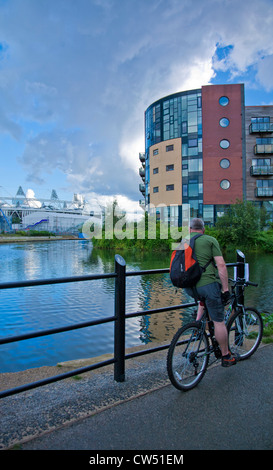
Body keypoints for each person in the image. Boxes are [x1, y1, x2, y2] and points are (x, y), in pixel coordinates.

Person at [185, 217, 237, 367]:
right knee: (219, 322)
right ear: (203, 229)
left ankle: (197, 325)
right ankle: (226, 356)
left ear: (190, 229)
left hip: (189, 287)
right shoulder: (210, 240)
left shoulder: (183, 241)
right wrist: (225, 289)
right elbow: (221, 265)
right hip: (207, 285)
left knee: (204, 299)